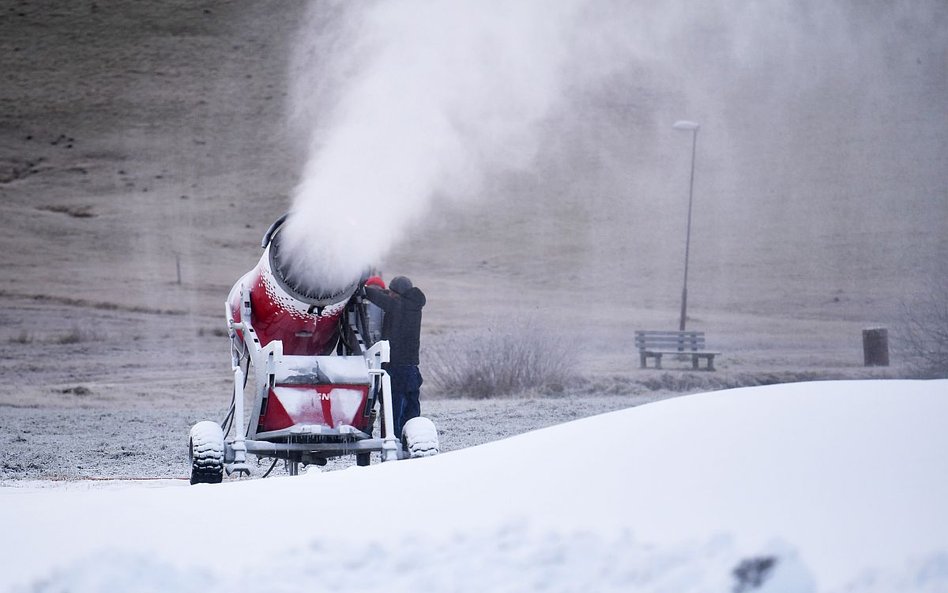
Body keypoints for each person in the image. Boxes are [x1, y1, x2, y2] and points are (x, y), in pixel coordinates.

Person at [363, 275, 426, 441]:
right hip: (412, 368)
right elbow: (389, 299)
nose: (388, 296)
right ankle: (413, 440)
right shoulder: (413, 306)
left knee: (393, 412)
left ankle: (396, 445)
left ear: (397, 294)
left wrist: (360, 288)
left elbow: (378, 298)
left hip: (396, 368)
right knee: (412, 410)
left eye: (391, 293)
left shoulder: (398, 306)